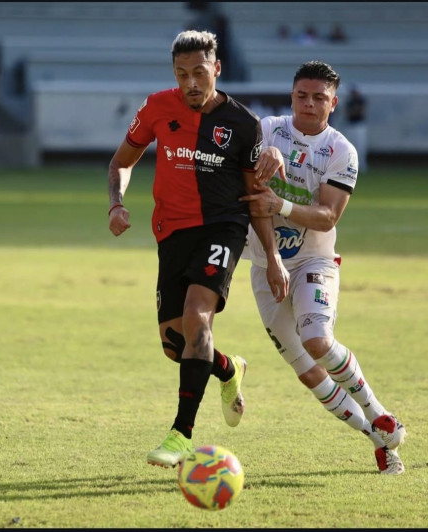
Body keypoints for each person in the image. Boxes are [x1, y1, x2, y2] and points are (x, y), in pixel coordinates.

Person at [107, 30, 289, 469]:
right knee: (177, 344)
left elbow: (254, 196)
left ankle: (181, 435)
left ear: (217, 69)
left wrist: (273, 257)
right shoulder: (155, 107)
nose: (191, 82)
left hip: (222, 227)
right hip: (171, 232)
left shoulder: (242, 125)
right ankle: (228, 369)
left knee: (196, 317)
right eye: (182, 74)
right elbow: (121, 163)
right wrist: (117, 203)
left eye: (199, 73)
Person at [240, 61, 407, 474]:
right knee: (308, 371)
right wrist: (266, 154)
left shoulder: (341, 151)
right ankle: (380, 440)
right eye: (302, 96)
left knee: (317, 338)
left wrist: (280, 204)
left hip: (314, 260)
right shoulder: (266, 129)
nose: (309, 104)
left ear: (333, 103)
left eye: (319, 98)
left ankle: (378, 410)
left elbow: (327, 216)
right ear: (292, 95)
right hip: (265, 264)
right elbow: (248, 188)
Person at [342, 84, 368, 173]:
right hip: (350, 125)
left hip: (359, 125)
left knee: (360, 146)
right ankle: (351, 166)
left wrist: (354, 111)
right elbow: (349, 113)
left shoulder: (361, 100)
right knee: (350, 147)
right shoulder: (349, 102)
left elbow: (360, 112)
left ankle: (362, 166)